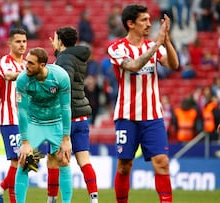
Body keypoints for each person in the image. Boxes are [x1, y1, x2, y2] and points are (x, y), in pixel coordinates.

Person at [107, 5, 179, 203]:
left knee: (162, 162)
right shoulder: (117, 48)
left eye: (150, 19)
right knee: (124, 165)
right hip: (126, 116)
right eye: (144, 20)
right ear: (130, 24)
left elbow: (174, 65)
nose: (149, 24)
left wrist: (166, 40)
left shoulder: (152, 45)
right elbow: (133, 65)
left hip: (153, 115)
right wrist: (156, 45)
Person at [15, 47, 72, 203]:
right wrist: (25, 142)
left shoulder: (60, 77)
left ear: (42, 65)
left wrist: (66, 138)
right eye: (27, 61)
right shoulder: (22, 80)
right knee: (24, 161)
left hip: (56, 122)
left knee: (64, 159)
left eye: (31, 63)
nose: (26, 65)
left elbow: (66, 108)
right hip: (35, 123)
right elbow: (22, 111)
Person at [48, 26, 98, 203]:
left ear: (60, 41)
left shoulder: (64, 59)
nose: (53, 41)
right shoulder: (77, 56)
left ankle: (54, 200)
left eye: (55, 38)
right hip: (81, 116)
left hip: (65, 118)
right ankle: (94, 199)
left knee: (56, 161)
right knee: (84, 160)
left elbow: (64, 83)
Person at [0, 28, 27, 203]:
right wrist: (31, 74)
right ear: (9, 43)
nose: (22, 45)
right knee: (17, 162)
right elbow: (10, 76)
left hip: (26, 121)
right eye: (18, 41)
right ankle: (5, 194)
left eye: (24, 41)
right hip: (10, 118)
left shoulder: (27, 64)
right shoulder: (5, 61)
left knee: (24, 163)